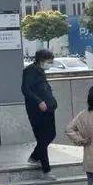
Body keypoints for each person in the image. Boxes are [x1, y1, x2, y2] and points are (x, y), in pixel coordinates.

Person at [21, 49, 58, 177]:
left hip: (48, 108)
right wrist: (39, 101)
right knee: (42, 138)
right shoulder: (30, 71)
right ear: (41, 60)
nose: (50, 64)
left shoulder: (40, 71)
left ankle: (35, 156)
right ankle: (46, 170)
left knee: (51, 134)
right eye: (49, 61)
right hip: (37, 110)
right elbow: (26, 89)